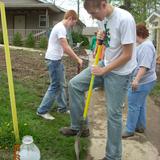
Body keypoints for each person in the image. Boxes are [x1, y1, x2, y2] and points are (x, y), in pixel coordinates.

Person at [60, 0, 137, 159]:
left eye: (94, 13)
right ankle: (78, 127)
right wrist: (100, 40)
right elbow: (107, 41)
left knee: (113, 115)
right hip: (105, 63)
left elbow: (128, 55)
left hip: (120, 72)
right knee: (75, 85)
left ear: (103, 4)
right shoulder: (102, 19)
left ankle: (113, 156)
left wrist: (104, 70)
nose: (93, 17)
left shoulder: (125, 19)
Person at [37, 10, 83, 120]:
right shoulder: (61, 28)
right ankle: (42, 111)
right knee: (55, 86)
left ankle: (62, 108)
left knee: (61, 84)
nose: (73, 25)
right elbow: (66, 47)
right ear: (70, 18)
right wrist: (77, 59)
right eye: (74, 23)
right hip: (53, 61)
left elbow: (64, 47)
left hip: (57, 60)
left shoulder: (61, 27)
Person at [122, 23, 157, 138]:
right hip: (146, 80)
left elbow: (144, 66)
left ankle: (129, 129)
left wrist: (136, 80)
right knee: (140, 104)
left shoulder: (146, 46)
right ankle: (140, 126)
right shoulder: (142, 44)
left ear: (138, 34)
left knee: (133, 105)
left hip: (142, 81)